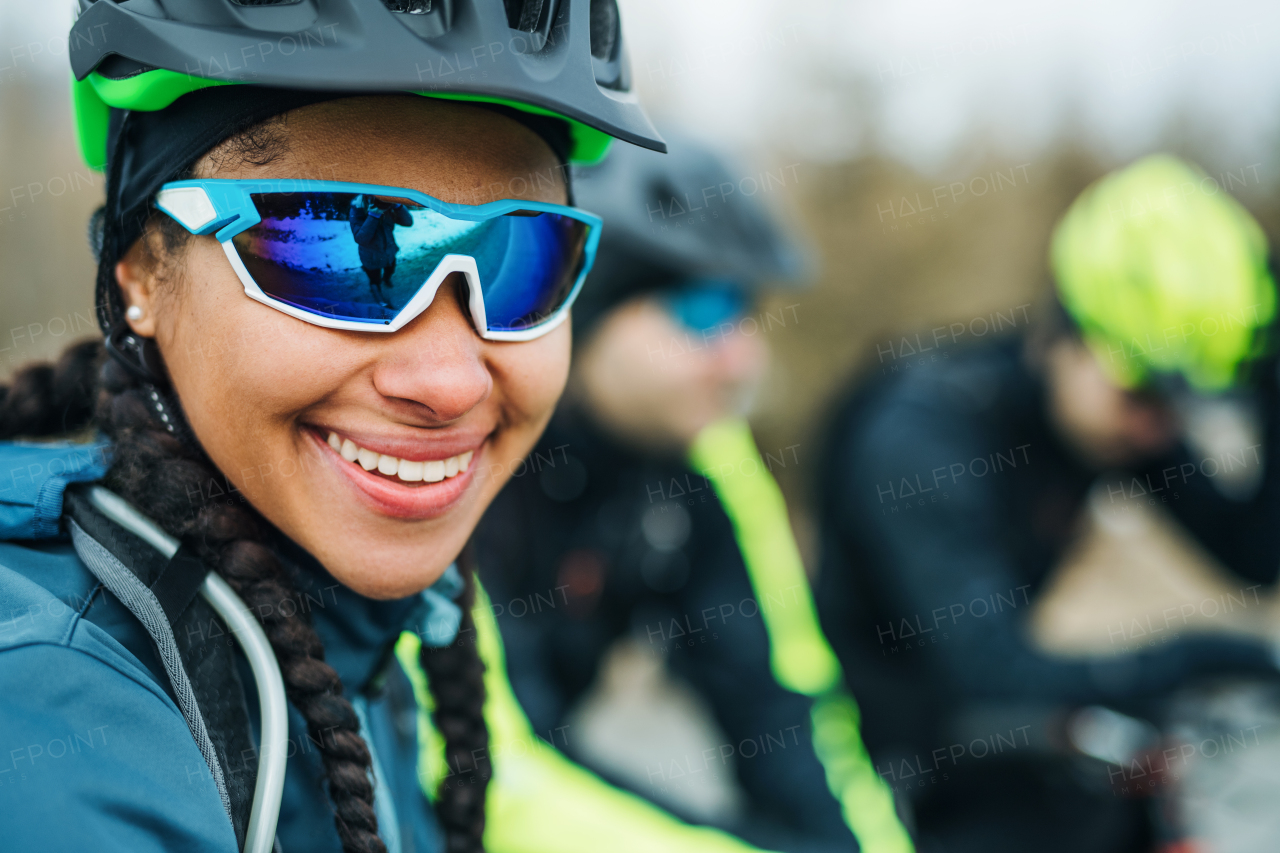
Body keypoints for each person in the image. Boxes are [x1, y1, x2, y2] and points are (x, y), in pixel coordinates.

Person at [0, 1, 692, 851]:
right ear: (142, 271)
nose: (447, 382)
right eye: (325, 247)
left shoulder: (373, 626)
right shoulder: (44, 708)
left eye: (525, 262)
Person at [815, 155, 1280, 853]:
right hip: (867, 764)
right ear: (1065, 331)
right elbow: (988, 671)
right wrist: (1211, 656)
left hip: (992, 745)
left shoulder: (1113, 419)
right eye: (1144, 397)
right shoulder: (920, 433)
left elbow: (1253, 554)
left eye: (1178, 410)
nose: (1158, 430)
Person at [474, 138, 911, 853]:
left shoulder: (705, 455)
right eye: (704, 310)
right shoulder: (461, 451)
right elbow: (494, 768)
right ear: (586, 301)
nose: (744, 357)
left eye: (747, 312)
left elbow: (783, 708)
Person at [350, 195, 414, 309]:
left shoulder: (389, 206)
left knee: (390, 269)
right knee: (374, 279)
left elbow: (408, 222)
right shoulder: (357, 208)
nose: (379, 200)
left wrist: (397, 205)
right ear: (366, 196)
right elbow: (361, 239)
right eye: (373, 196)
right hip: (371, 256)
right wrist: (373, 215)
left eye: (380, 195)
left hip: (389, 252)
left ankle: (387, 279)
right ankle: (379, 297)